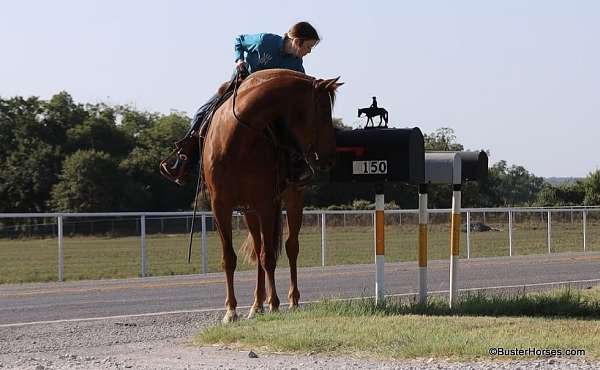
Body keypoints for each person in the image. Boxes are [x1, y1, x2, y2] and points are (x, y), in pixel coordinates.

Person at [161, 21, 320, 186]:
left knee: (289, 128)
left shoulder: (296, 65)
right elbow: (239, 40)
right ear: (297, 41)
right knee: (201, 113)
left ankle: (296, 168)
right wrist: (239, 60)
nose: (309, 52)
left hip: (269, 107)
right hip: (237, 88)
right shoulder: (264, 41)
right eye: (309, 46)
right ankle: (184, 162)